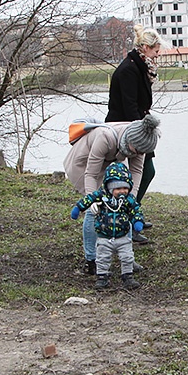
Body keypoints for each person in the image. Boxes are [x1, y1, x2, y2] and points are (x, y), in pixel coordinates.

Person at [64, 114, 161, 276]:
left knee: (123, 209)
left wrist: (131, 200)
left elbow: (136, 171)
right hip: (82, 164)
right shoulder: (105, 137)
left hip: (107, 163)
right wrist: (91, 199)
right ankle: (91, 260)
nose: (138, 153)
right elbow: (91, 174)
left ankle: (127, 258)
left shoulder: (139, 142)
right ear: (129, 141)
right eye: (136, 150)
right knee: (94, 210)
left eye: (142, 152)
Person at [105, 24, 165, 244]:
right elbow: (129, 105)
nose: (158, 56)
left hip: (134, 127)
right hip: (126, 130)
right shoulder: (130, 69)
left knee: (144, 172)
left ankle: (131, 213)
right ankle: (127, 217)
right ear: (145, 48)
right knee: (140, 172)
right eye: (156, 51)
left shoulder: (139, 67)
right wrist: (142, 134)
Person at [71, 162, 145, 290]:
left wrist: (138, 221)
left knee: (127, 256)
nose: (122, 191)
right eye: (118, 189)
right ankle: (102, 277)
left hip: (123, 235)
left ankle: (128, 276)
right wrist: (78, 208)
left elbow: (136, 210)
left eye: (125, 188)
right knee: (102, 258)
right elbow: (88, 199)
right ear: (110, 188)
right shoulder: (102, 196)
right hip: (104, 235)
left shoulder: (129, 199)